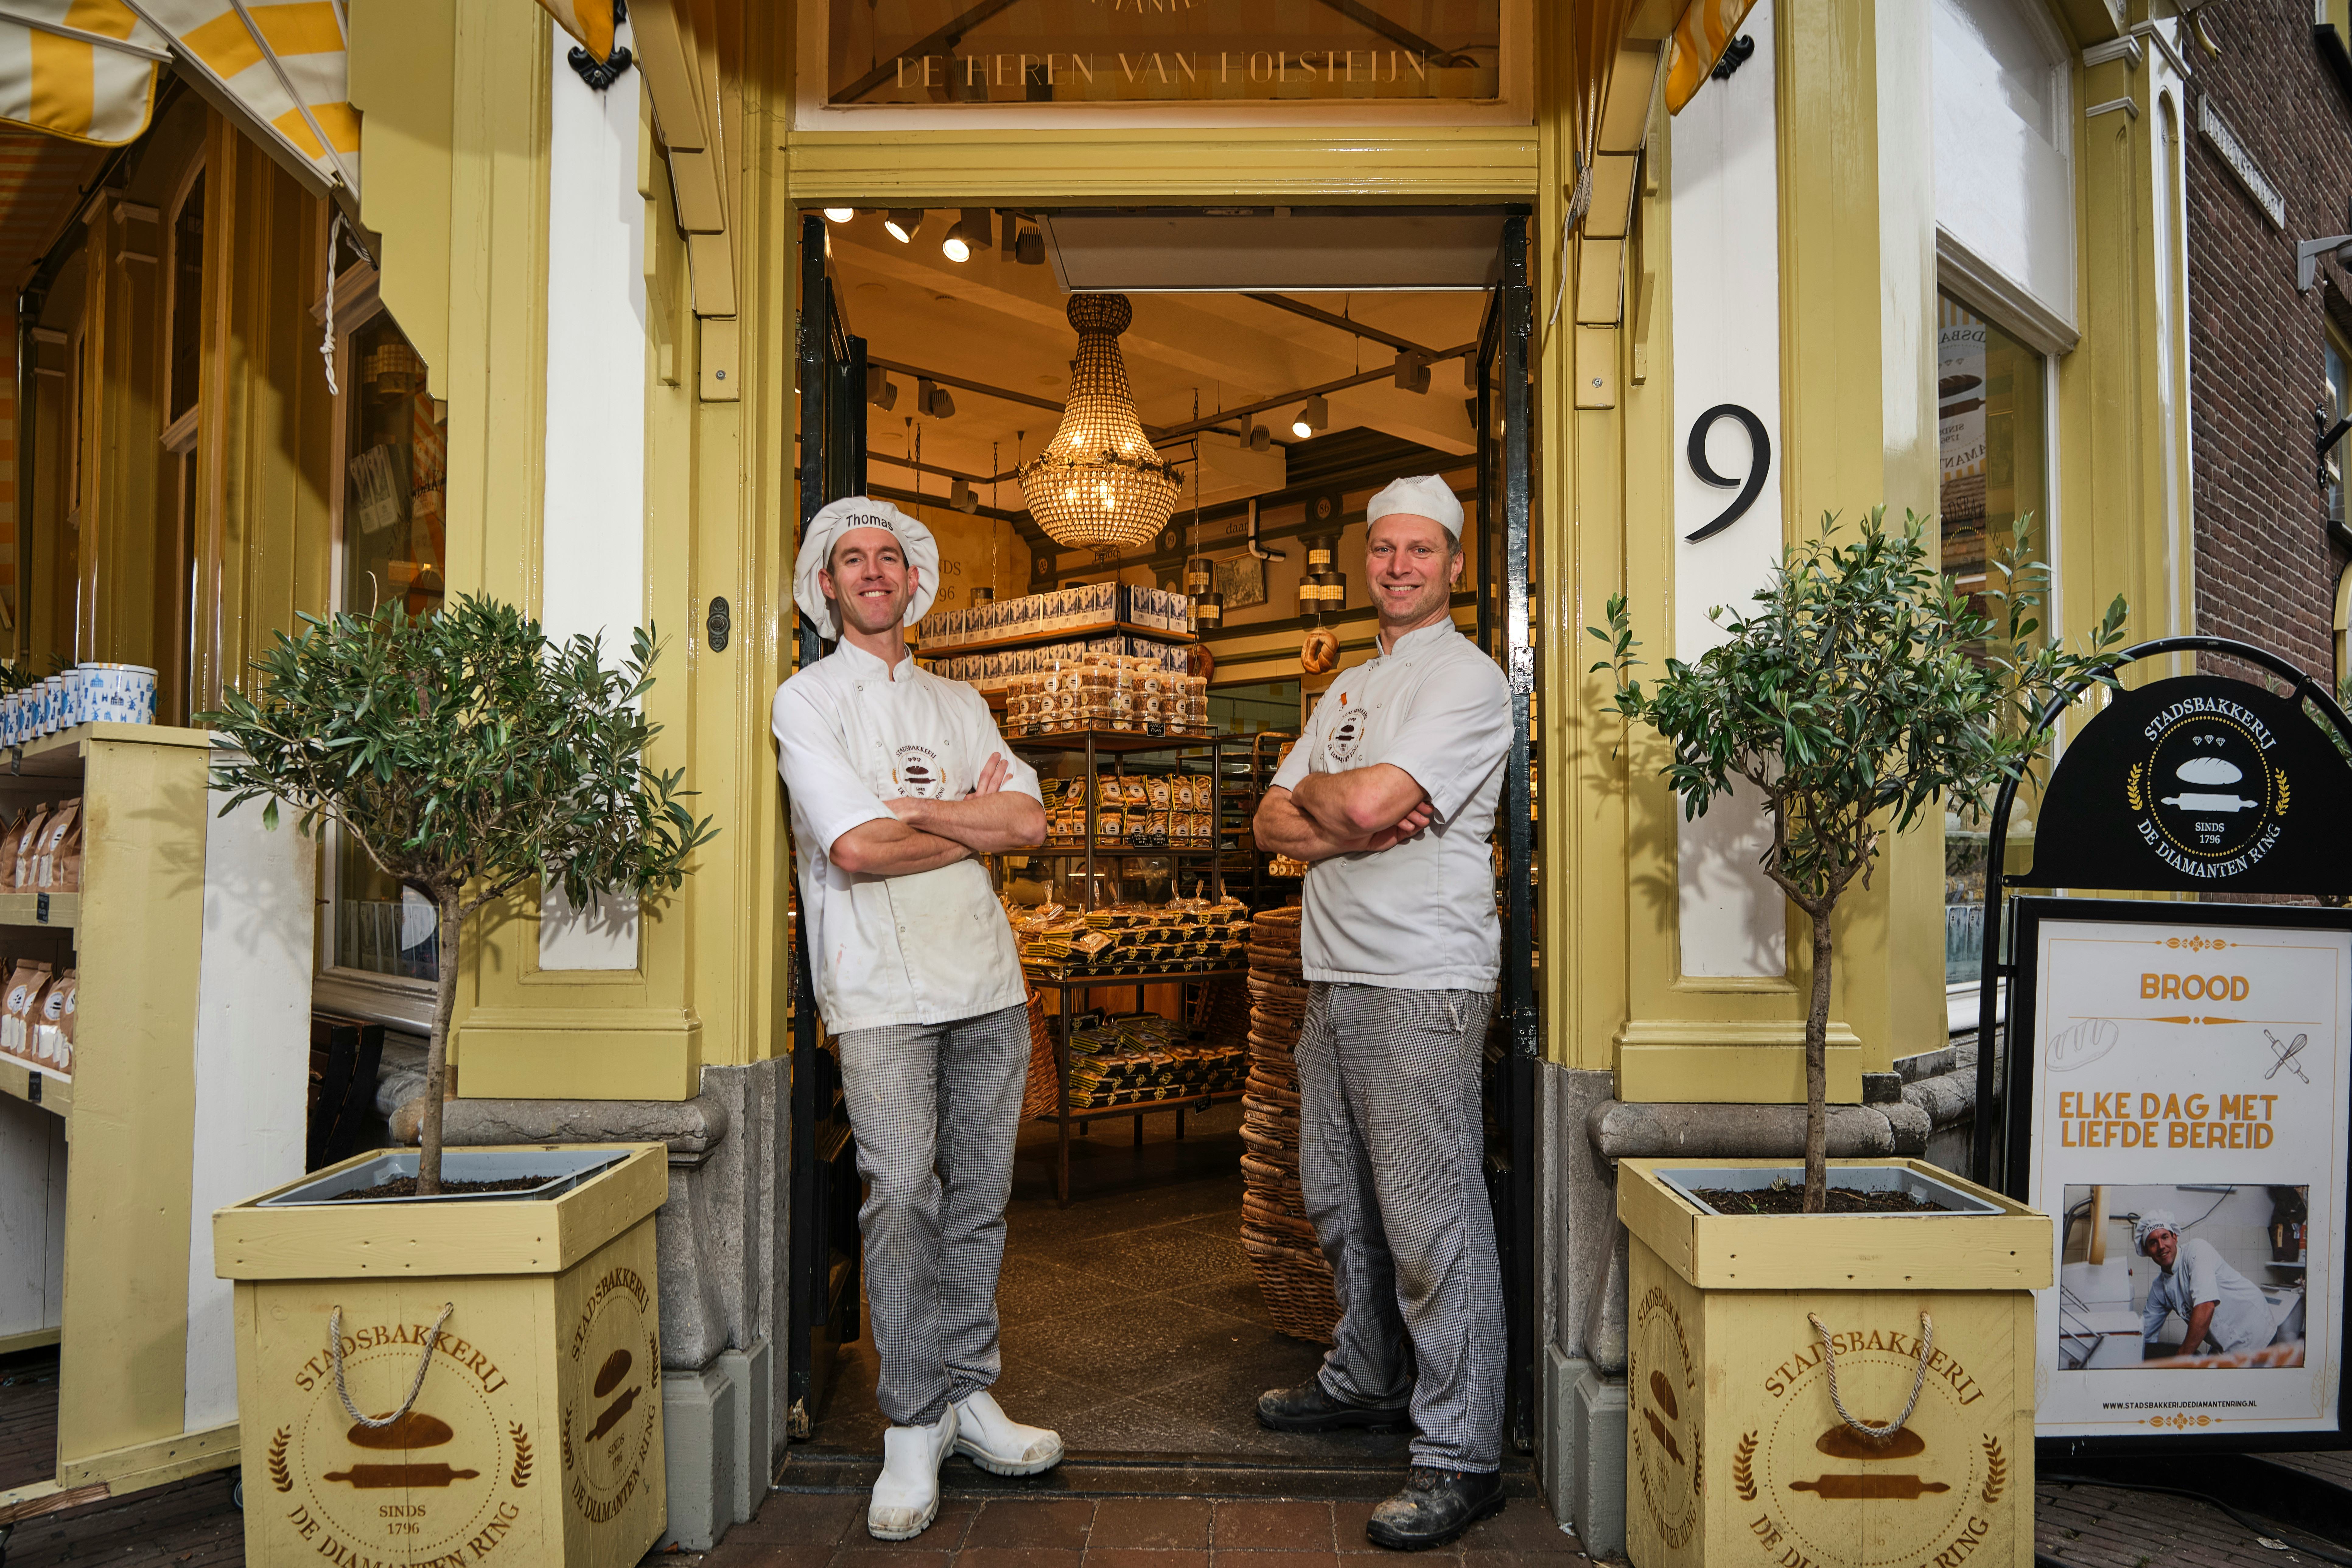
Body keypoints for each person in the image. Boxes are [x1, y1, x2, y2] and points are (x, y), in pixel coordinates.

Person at [772, 496, 1063, 1540]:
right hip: (877, 983)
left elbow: (1027, 820)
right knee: (900, 1193)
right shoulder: (804, 701)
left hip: (984, 978)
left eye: (888, 557)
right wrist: (968, 821)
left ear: (913, 580)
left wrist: (921, 816)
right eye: (851, 559)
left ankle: (966, 1392)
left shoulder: (962, 703)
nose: (872, 571)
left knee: (980, 1194)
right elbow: (851, 847)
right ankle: (909, 1417)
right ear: (826, 586)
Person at [1251, 474, 1515, 1550]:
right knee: (1336, 1201)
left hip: (1423, 981)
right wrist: (1347, 820)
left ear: (1452, 565)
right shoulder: (1347, 688)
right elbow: (1275, 818)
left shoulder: (1469, 681)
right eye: (1382, 550)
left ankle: (1461, 1454)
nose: (1397, 566)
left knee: (1428, 1226)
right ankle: (1363, 1373)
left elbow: (1346, 800)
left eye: (1419, 550)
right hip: (1336, 978)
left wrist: (1343, 806)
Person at [2137, 1211, 2278, 1360]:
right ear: (2147, 1251)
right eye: (2153, 1243)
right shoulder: (2160, 1288)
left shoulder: (2196, 1251)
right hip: (2225, 1344)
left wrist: (2180, 1359)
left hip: (2257, 1330)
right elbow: (2145, 1334)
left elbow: (2206, 1307)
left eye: (2165, 1237)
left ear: (2175, 1238)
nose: (2161, 1246)